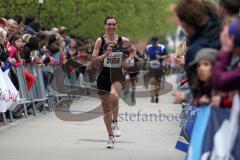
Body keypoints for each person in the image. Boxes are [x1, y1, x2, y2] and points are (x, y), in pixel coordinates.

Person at [91, 16, 136, 149]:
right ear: (105, 26)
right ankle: (110, 137)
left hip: (117, 74)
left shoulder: (123, 40)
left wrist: (129, 60)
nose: (111, 27)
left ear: (116, 25)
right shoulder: (100, 41)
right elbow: (93, 61)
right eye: (109, 24)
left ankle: (115, 122)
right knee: (105, 108)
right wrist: (104, 55)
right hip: (103, 75)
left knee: (114, 97)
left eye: (113, 24)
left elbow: (133, 50)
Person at [145, 36, 168, 103]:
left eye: (155, 42)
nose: (154, 43)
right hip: (151, 67)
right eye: (153, 42)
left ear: (157, 42)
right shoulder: (148, 47)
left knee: (158, 82)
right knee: (152, 81)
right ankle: (152, 97)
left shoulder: (161, 47)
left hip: (159, 67)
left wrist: (160, 57)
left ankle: (156, 96)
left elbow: (166, 55)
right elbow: (146, 54)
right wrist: (147, 59)